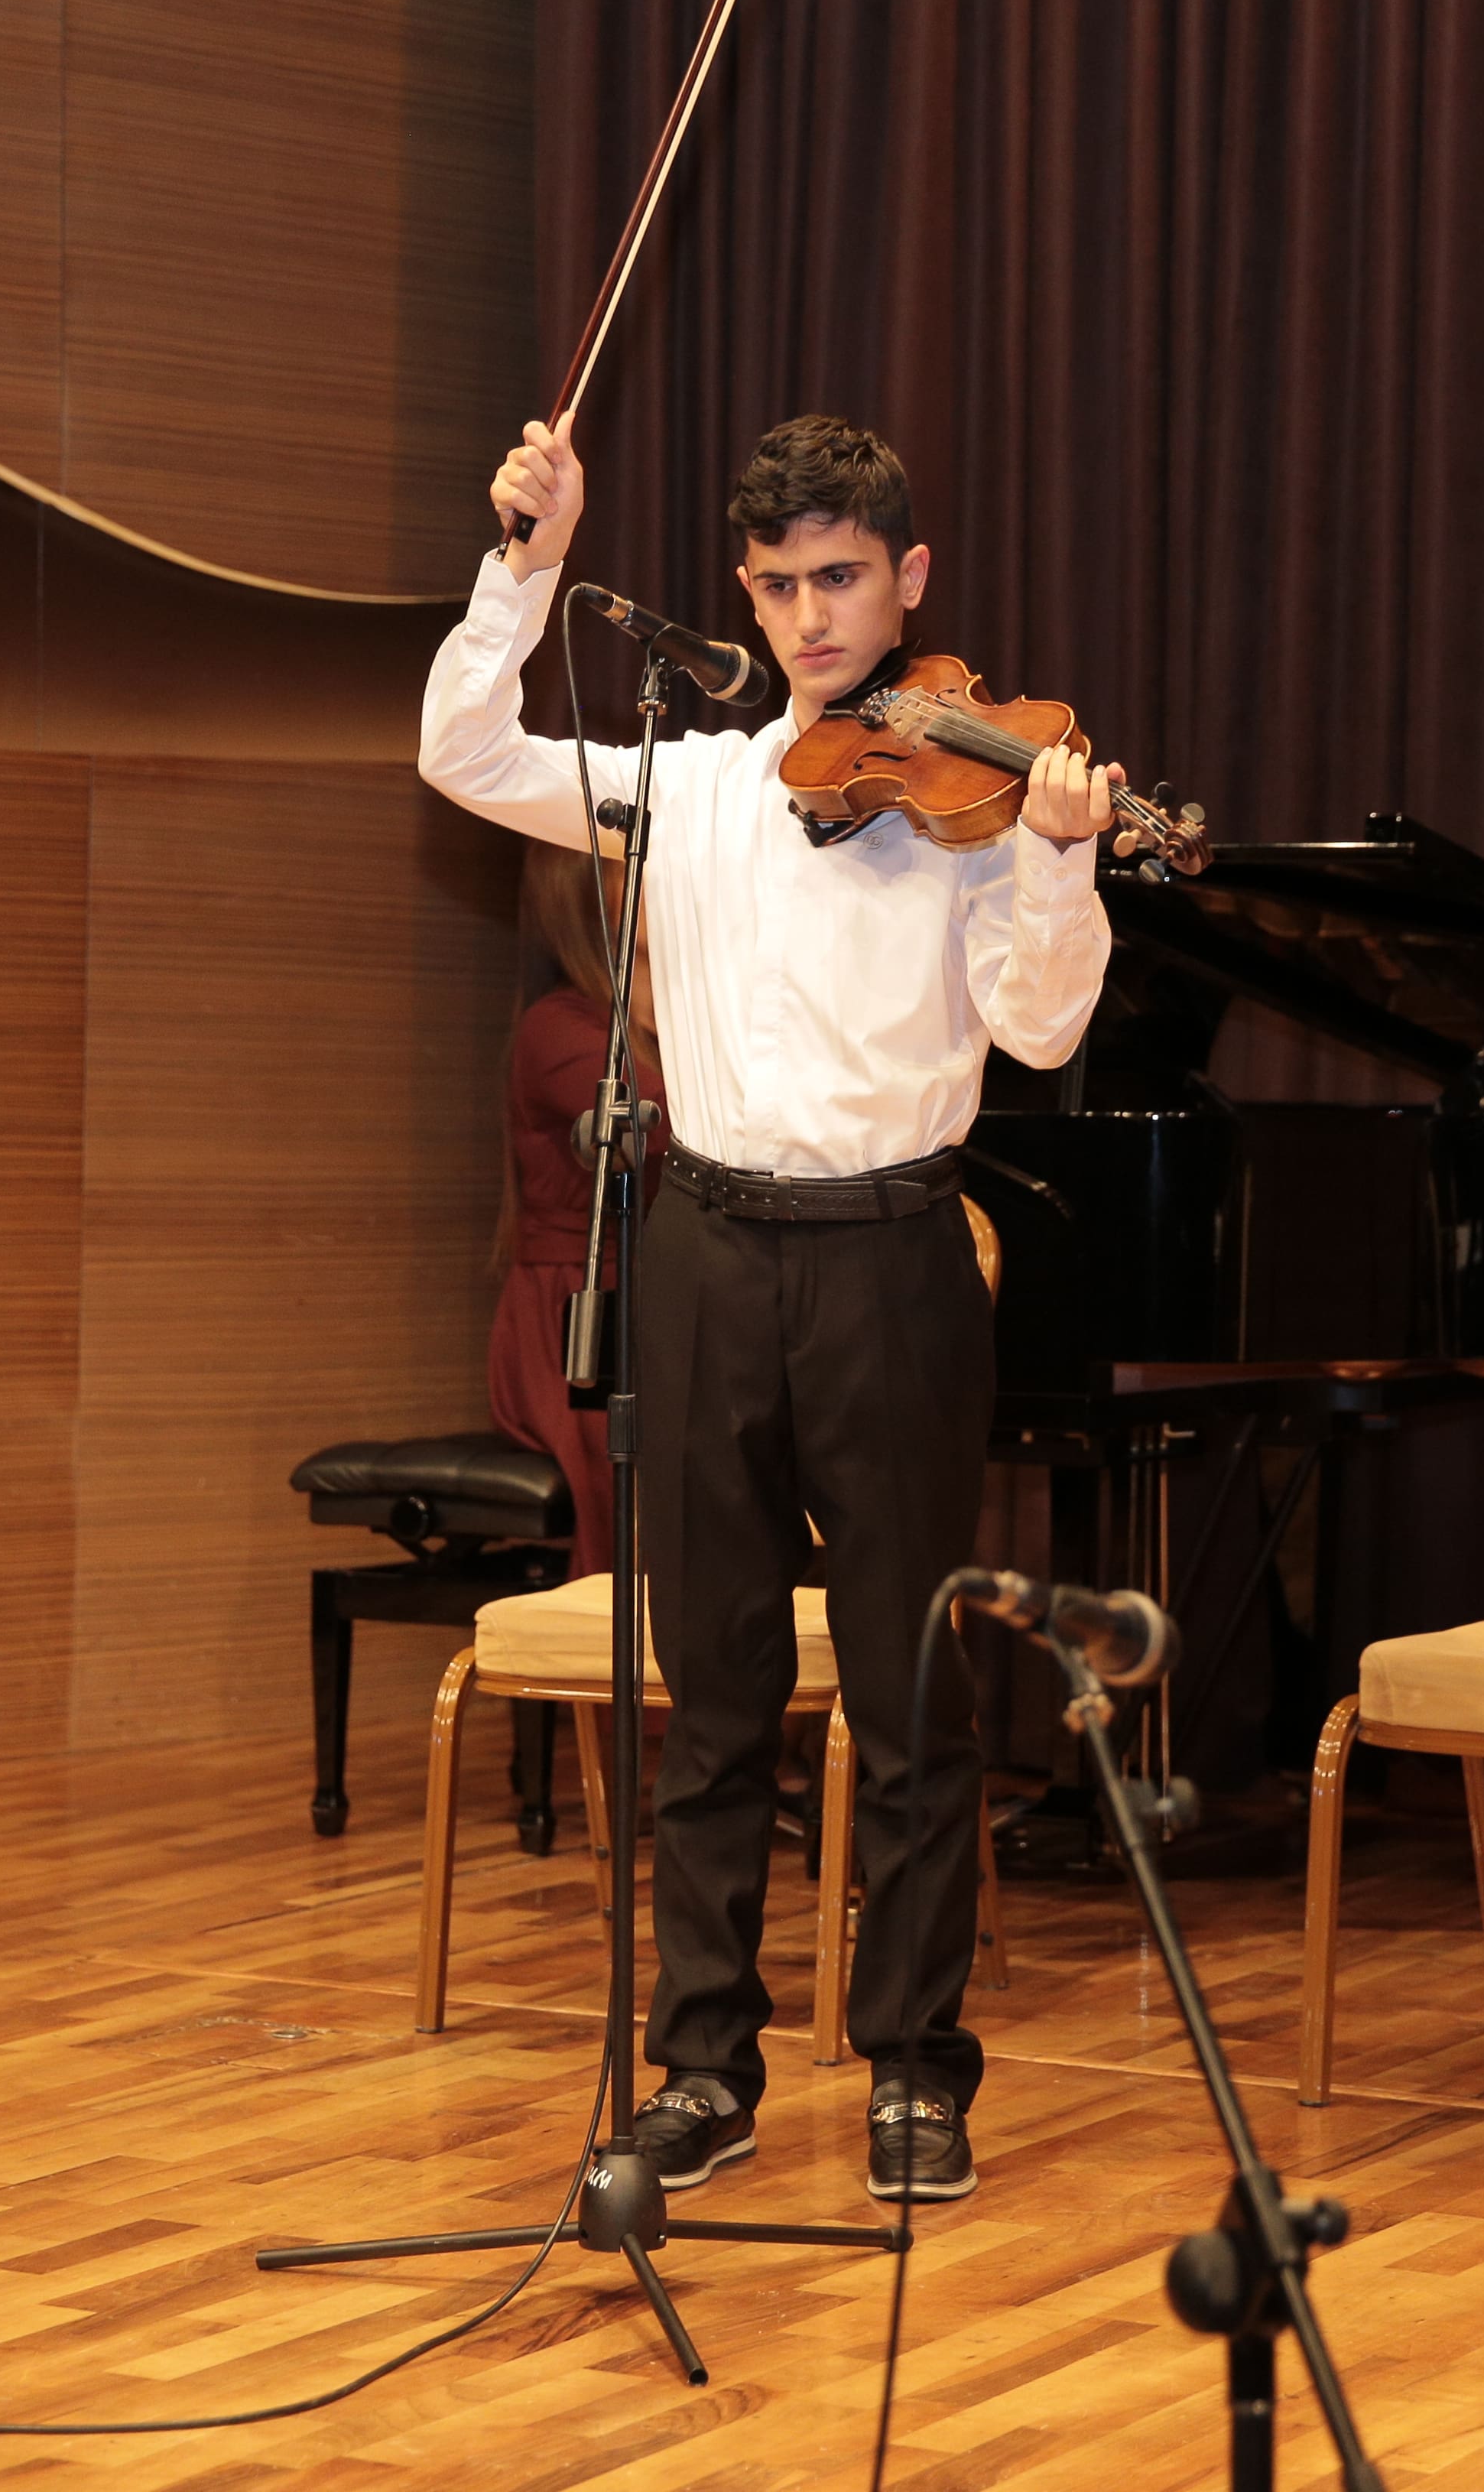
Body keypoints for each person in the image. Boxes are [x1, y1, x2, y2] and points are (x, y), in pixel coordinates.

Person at [416, 407, 1122, 2208]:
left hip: (893, 1259)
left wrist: (1056, 856)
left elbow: (1041, 1029)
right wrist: (526, 564)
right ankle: (703, 2069)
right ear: (742, 590)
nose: (810, 617)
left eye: (840, 579)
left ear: (908, 580)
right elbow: (463, 749)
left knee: (906, 1690)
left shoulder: (974, 801)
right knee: (712, 1689)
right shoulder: (694, 784)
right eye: (778, 584)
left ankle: (914, 2071)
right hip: (707, 1251)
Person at [487, 837, 654, 1580]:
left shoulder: (681, 1018)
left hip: (656, 1306)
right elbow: (667, 1127)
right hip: (578, 1323)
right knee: (640, 1489)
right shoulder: (558, 1027)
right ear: (592, 902)